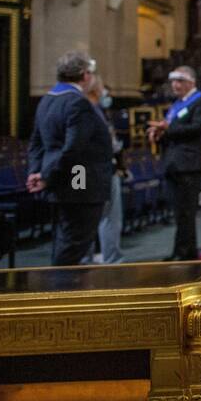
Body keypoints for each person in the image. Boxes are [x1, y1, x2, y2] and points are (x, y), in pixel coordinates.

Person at [27, 51, 113, 266]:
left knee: (64, 239)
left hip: (60, 180)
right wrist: (45, 176)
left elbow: (36, 144)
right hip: (79, 180)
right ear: (85, 75)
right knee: (73, 245)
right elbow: (74, 149)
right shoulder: (78, 103)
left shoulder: (47, 100)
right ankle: (60, 293)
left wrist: (36, 172)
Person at [148, 66, 201, 262]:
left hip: (189, 164)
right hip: (174, 163)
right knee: (179, 213)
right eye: (173, 82)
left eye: (179, 81)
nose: (175, 85)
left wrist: (168, 129)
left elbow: (198, 127)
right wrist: (159, 134)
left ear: (190, 82)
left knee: (186, 212)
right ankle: (182, 250)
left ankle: (185, 253)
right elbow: (172, 130)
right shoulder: (177, 104)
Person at [81, 73, 124, 265]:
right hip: (98, 170)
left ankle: (96, 259)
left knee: (96, 218)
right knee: (106, 218)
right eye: (103, 88)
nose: (106, 93)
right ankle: (110, 260)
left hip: (96, 170)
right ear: (95, 89)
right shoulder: (90, 111)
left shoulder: (97, 111)